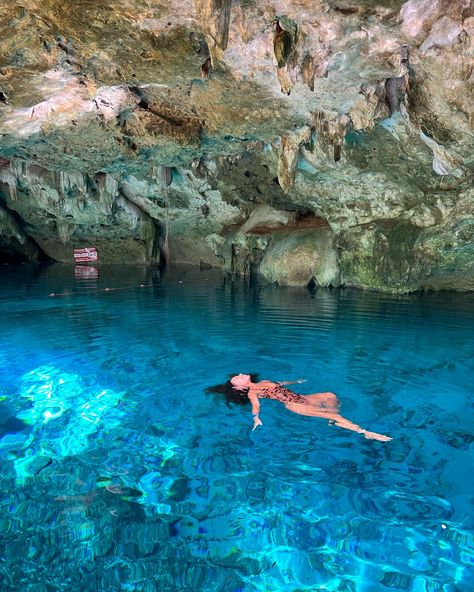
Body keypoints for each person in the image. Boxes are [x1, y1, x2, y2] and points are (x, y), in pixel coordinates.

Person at [208, 374, 392, 442]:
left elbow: (280, 383)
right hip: (294, 405)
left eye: (238, 375)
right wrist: (256, 418)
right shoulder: (252, 393)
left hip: (303, 398)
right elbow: (256, 406)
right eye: (237, 379)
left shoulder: (264, 382)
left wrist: (296, 381)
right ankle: (365, 432)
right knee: (333, 414)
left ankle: (334, 420)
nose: (240, 375)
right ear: (240, 388)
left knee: (330, 396)